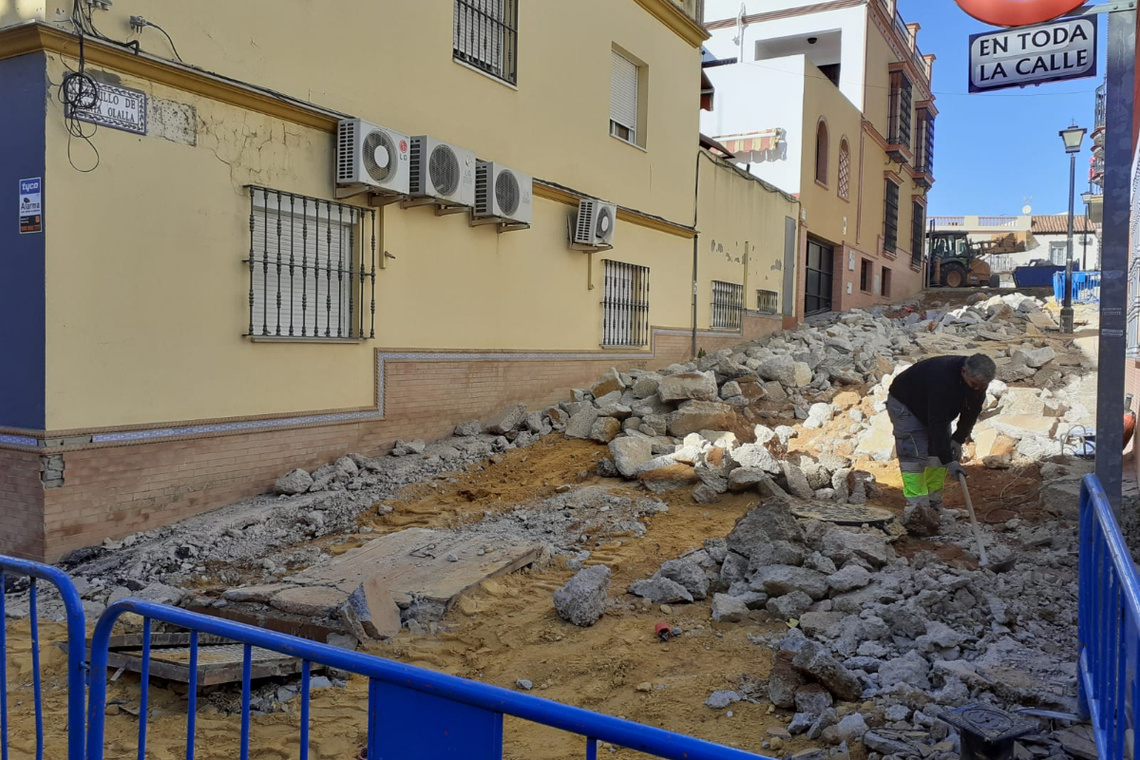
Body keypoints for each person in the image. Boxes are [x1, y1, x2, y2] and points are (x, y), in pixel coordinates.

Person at [886, 353, 996, 535]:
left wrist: (958, 439)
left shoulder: (978, 382)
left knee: (936, 456)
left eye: (982, 386)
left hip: (936, 410)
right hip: (907, 405)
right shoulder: (941, 378)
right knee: (913, 456)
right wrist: (949, 460)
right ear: (963, 372)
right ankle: (916, 510)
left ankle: (935, 508)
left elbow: (972, 411)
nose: (977, 389)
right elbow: (936, 421)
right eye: (974, 385)